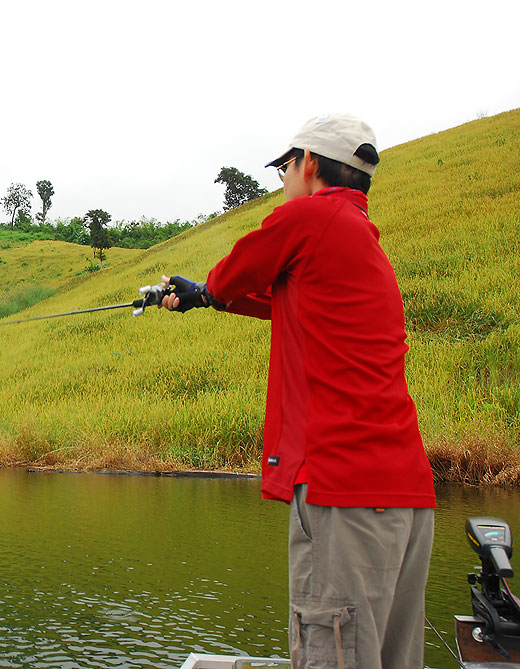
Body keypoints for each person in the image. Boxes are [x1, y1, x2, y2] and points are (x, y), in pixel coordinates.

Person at [159, 113, 436, 669]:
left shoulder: (310, 217)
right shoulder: (358, 240)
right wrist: (209, 298)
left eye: (284, 167)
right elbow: (278, 300)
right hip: (406, 498)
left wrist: (205, 290)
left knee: (331, 654)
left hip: (342, 495)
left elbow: (234, 273)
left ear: (308, 162)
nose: (282, 180)